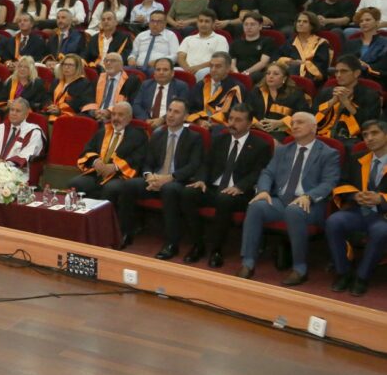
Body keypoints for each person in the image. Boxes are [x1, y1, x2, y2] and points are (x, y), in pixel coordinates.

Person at [237, 112, 340, 285]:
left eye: (300, 122)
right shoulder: (284, 149)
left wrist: (309, 195)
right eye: (292, 123)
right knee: (256, 205)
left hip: (309, 205)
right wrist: (263, 190)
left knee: (294, 211)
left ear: (314, 127)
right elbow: (267, 172)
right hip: (281, 200)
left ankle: (300, 268)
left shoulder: (328, 153)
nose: (295, 126)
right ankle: (248, 262)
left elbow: (329, 183)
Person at [180, 104, 272, 268]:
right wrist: (201, 179)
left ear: (249, 123)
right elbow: (206, 164)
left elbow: (258, 172)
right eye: (230, 119)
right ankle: (198, 244)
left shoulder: (260, 145)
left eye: (238, 120)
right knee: (188, 193)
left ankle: (216, 250)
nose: (232, 123)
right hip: (214, 187)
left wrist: (240, 187)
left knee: (224, 199)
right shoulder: (220, 139)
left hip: (240, 193)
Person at [122, 98, 203, 259]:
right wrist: (149, 176)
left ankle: (171, 243)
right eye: (170, 110)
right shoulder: (158, 134)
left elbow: (193, 166)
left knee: (169, 189)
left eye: (176, 112)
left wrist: (170, 178)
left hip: (177, 181)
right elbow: (147, 163)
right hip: (155, 179)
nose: (171, 115)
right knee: (129, 185)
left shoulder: (194, 137)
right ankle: (126, 232)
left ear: (186, 116)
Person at [67, 102, 148, 248]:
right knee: (76, 183)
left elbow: (139, 158)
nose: (116, 118)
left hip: (121, 176)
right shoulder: (103, 131)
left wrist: (115, 166)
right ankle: (79, 228)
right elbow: (87, 149)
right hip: (97, 173)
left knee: (111, 189)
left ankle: (115, 233)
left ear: (129, 118)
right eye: (114, 114)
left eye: (121, 115)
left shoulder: (138, 135)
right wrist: (95, 161)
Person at [326, 119, 387, 297]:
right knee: (334, 221)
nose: (369, 138)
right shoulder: (356, 158)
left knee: (381, 231)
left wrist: (381, 199)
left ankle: (362, 277)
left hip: (383, 216)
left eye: (374, 133)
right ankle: (343, 272)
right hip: (358, 211)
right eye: (365, 135)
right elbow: (342, 183)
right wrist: (355, 195)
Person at [314, 55, 382, 143]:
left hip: (351, 140)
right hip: (320, 137)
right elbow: (311, 119)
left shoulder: (370, 95)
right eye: (336, 71)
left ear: (356, 73)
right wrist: (332, 102)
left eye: (344, 71)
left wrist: (347, 103)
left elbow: (369, 125)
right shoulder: (326, 92)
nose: (338, 75)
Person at [0, 97, 45, 175]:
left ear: (26, 115)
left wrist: (6, 163)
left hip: (16, 168)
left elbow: (27, 154)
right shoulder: (1, 127)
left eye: (18, 111)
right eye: (12, 110)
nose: (13, 113)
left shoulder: (33, 131)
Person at [187, 52, 243, 129]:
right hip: (199, 126)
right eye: (211, 66)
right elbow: (190, 108)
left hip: (222, 129)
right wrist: (199, 121)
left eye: (218, 66)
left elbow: (237, 115)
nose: (213, 70)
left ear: (228, 69)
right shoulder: (201, 85)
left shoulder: (236, 88)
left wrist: (213, 125)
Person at [132, 58, 191, 130]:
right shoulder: (146, 85)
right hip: (147, 123)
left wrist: (162, 119)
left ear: (172, 73)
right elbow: (136, 105)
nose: (161, 72)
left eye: (165, 70)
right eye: (158, 70)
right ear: (154, 73)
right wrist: (146, 120)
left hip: (169, 125)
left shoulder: (181, 86)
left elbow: (182, 109)